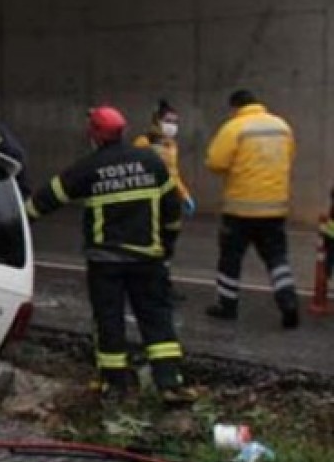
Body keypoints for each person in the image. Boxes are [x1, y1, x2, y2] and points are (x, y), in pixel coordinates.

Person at [25, 106, 194, 405]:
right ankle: (170, 383)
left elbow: (47, 198)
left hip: (106, 262)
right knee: (157, 318)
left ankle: (114, 385)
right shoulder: (150, 161)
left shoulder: (89, 167)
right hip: (148, 259)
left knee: (109, 321)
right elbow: (172, 210)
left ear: (94, 135)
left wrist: (17, 219)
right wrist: (167, 244)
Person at [205, 89, 298, 329]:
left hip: (240, 210)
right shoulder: (282, 126)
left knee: (230, 258)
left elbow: (215, 162)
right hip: (274, 209)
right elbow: (290, 156)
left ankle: (227, 306)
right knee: (277, 258)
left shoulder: (235, 127)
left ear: (236, 107)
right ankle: (288, 302)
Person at [134, 100, 196, 301]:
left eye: (175, 122)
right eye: (168, 121)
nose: (172, 126)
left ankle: (162, 284)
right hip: (150, 203)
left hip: (169, 202)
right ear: (157, 121)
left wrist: (184, 196)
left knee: (167, 247)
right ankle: (150, 286)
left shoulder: (171, 145)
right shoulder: (144, 143)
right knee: (153, 246)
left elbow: (173, 175)